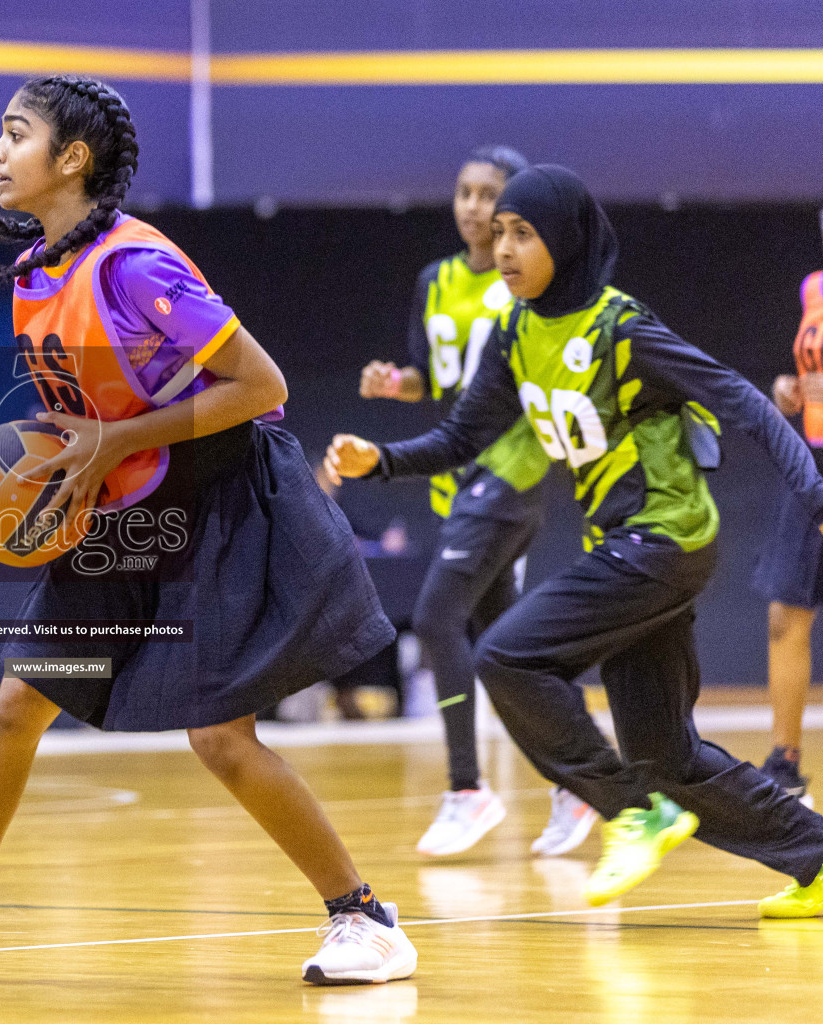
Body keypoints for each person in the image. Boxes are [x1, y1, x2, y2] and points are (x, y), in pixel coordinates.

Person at [0, 74, 416, 986]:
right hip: (125, 511)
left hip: (220, 500)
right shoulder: (38, 270)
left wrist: (115, 439)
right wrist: (58, 481)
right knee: (15, 706)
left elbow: (262, 387)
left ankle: (366, 920)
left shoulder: (137, 265)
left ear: (70, 158)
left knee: (220, 737)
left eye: (14, 135)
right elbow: (82, 419)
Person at [325, 164, 823, 917]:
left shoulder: (623, 327)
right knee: (668, 758)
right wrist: (383, 461)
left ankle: (631, 813)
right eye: (499, 235)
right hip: (630, 547)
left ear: (566, 239)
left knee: (508, 655)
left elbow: (741, 400)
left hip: (664, 539)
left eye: (523, 234)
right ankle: (812, 855)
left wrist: (814, 491)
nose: (504, 249)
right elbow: (464, 434)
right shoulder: (516, 331)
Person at [359, 147, 597, 858]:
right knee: (508, 652)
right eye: (462, 191)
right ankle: (581, 780)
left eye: (486, 194)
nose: (471, 205)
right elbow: (433, 380)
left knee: (434, 619)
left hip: (508, 472)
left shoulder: (524, 279)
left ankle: (467, 788)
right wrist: (391, 382)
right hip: (453, 481)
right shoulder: (434, 281)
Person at [754, 267, 823, 808]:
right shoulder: (813, 287)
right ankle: (785, 763)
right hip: (813, 459)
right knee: (786, 610)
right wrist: (791, 390)